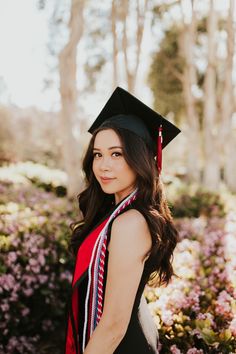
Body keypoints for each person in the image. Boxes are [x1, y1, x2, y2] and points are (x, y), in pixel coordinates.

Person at [65, 87, 181, 354]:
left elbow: (115, 325)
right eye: (98, 154)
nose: (103, 165)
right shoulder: (117, 213)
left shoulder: (130, 223)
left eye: (117, 154)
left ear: (140, 158)